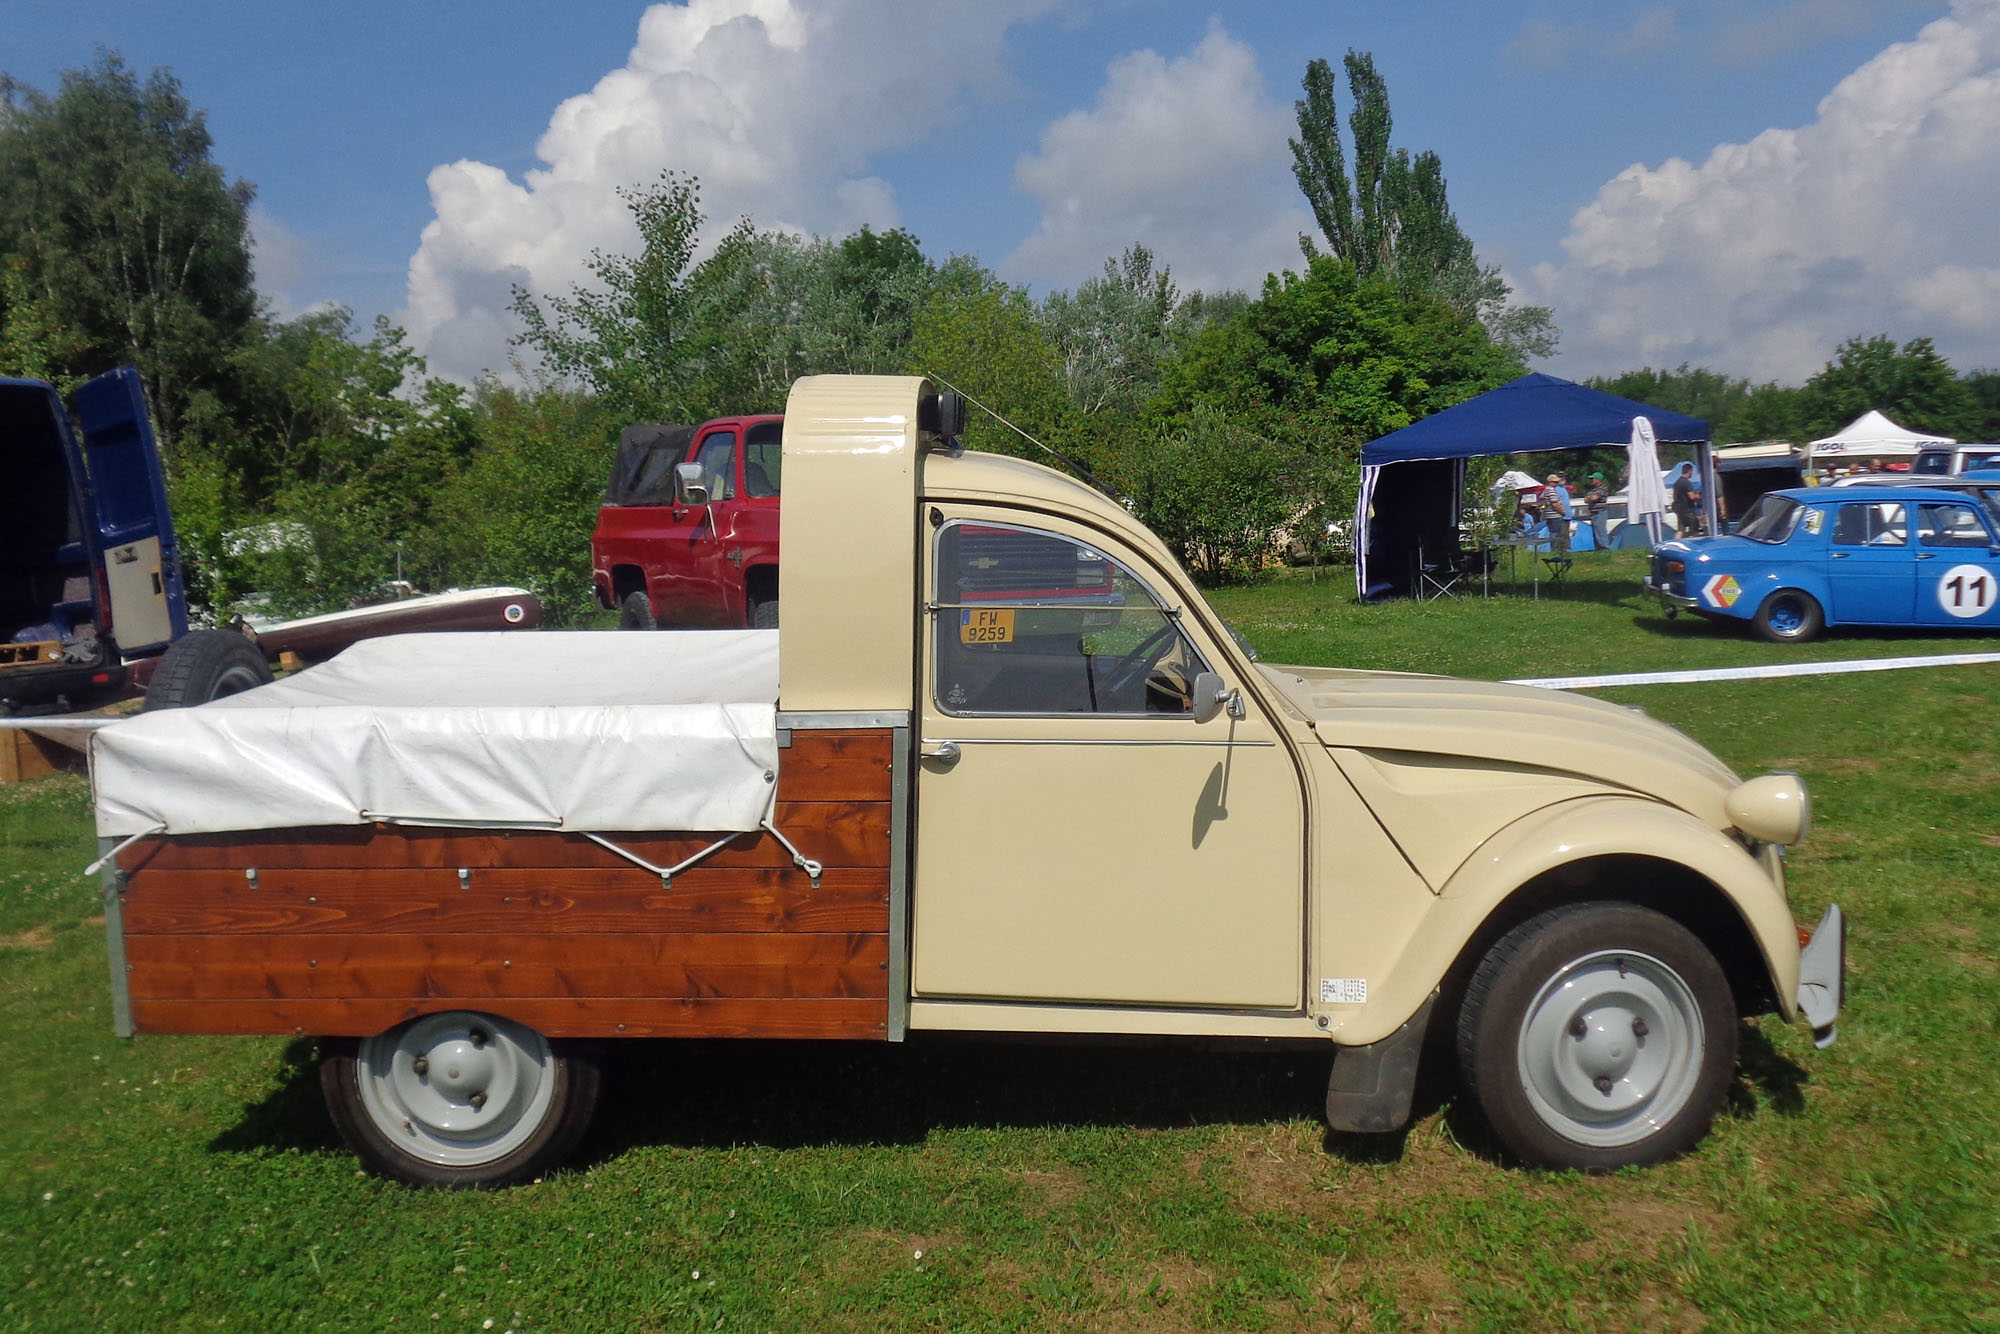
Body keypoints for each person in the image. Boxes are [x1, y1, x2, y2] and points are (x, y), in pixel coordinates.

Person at [1671, 462, 1702, 536]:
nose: (1692, 473)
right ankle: (1693, 540)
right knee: (1695, 526)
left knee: (1681, 529)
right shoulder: (1687, 482)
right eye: (1692, 471)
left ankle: (1677, 541)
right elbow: (1691, 496)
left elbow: (1674, 496)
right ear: (1689, 471)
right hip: (1687, 510)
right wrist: (1699, 495)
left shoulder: (1677, 482)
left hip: (1679, 509)